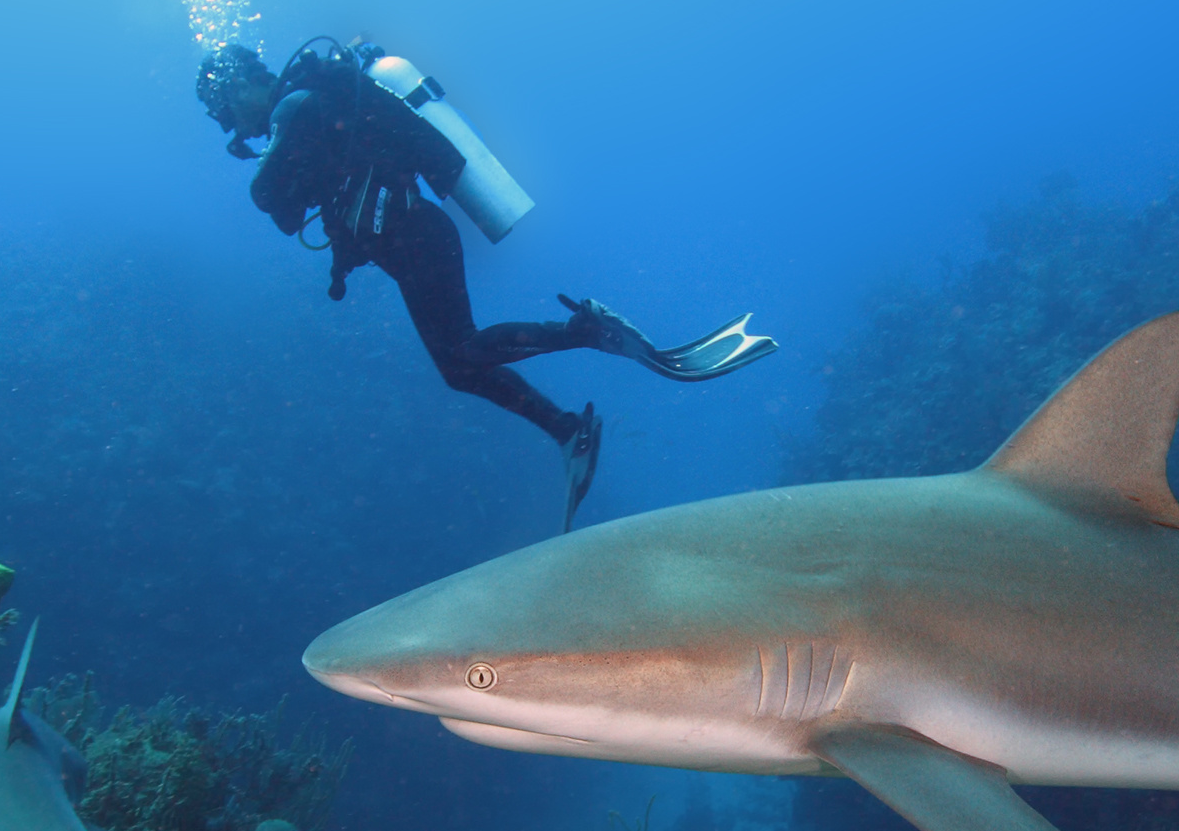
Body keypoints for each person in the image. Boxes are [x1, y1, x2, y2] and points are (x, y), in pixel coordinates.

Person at [196, 37, 775, 530]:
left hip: (415, 235)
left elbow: (269, 198)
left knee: (464, 351)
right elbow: (292, 205)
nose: (230, 125)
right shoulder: (307, 111)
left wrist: (275, 160)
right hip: (410, 241)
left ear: (247, 82)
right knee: (458, 366)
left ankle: (588, 332)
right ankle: (567, 428)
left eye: (225, 108)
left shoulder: (294, 109)